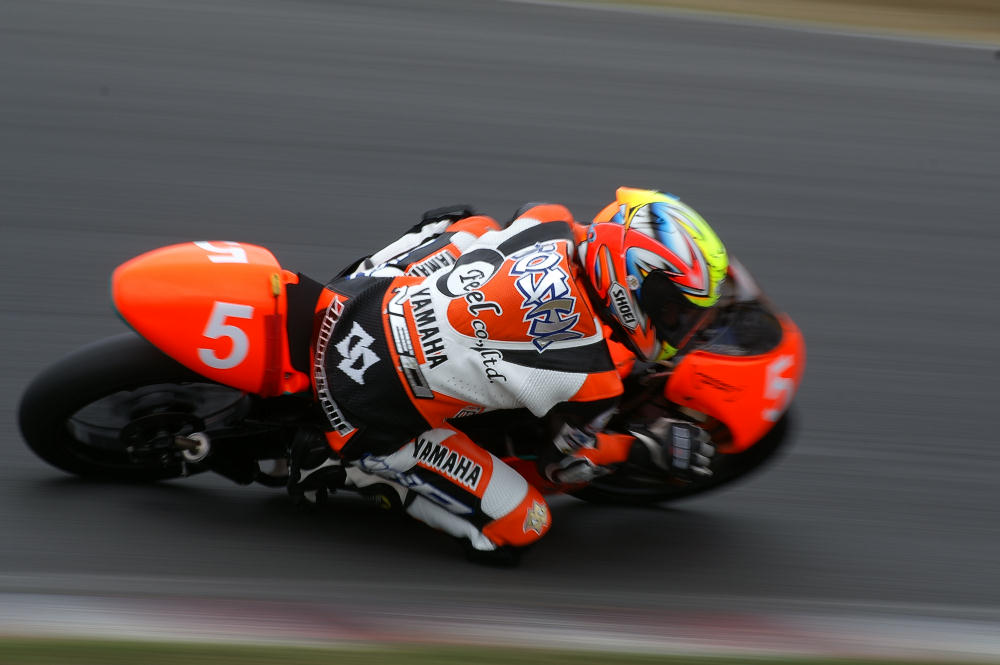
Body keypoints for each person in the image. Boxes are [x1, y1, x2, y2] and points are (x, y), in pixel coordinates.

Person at [289, 187, 728, 564]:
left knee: (470, 225)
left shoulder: (549, 220)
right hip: (363, 411)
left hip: (357, 302)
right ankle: (348, 470)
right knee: (524, 524)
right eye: (673, 308)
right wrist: (643, 448)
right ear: (630, 279)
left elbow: (534, 226)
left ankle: (387, 257)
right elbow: (562, 468)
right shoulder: (597, 380)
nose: (678, 325)